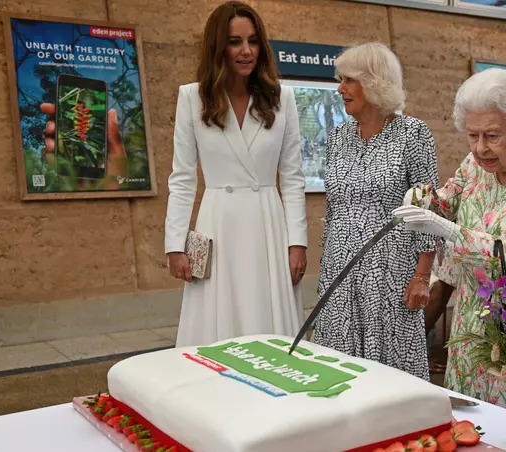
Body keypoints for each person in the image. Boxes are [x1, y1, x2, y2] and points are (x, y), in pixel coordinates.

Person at [393, 68, 506, 407]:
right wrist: (419, 198)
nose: (480, 149)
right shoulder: (475, 164)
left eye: (492, 136)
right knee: (471, 422)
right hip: (473, 320)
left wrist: (449, 231)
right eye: (472, 136)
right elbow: (446, 200)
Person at [165, 1, 307, 346]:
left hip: (268, 225)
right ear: (218, 47)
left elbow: (292, 177)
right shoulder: (192, 98)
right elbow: (182, 178)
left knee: (269, 324)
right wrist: (175, 244)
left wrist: (297, 241)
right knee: (217, 329)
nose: (246, 51)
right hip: (218, 224)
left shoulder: (281, 98)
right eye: (235, 42)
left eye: (253, 41)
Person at [313, 43, 440, 381]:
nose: (341, 89)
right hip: (340, 269)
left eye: (349, 81)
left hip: (391, 273)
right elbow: (333, 205)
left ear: (374, 82)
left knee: (391, 371)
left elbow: (426, 208)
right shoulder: (338, 137)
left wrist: (422, 276)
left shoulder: (414, 134)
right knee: (339, 368)